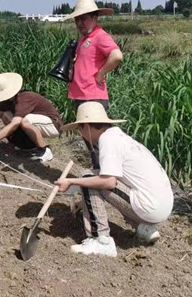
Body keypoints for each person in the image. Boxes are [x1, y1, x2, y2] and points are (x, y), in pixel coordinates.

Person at [54, 102, 174, 257]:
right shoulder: (119, 137)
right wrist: (86, 201)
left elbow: (108, 182)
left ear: (86, 127)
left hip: (149, 207)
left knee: (88, 177)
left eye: (79, 128)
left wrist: (72, 182)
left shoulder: (108, 140)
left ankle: (101, 240)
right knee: (95, 174)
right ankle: (145, 228)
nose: (80, 133)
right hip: (161, 206)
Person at [65, 0, 123, 170]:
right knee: (90, 141)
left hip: (93, 96)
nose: (80, 23)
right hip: (81, 94)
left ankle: (108, 177)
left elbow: (117, 56)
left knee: (99, 141)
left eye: (84, 18)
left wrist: (101, 73)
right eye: (77, 19)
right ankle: (100, 174)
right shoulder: (85, 39)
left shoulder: (99, 36)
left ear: (95, 18)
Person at [0, 72, 60, 163]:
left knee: (25, 121)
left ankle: (45, 151)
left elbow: (15, 124)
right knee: (4, 114)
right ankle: (27, 146)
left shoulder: (23, 99)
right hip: (37, 123)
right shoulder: (8, 101)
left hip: (53, 124)